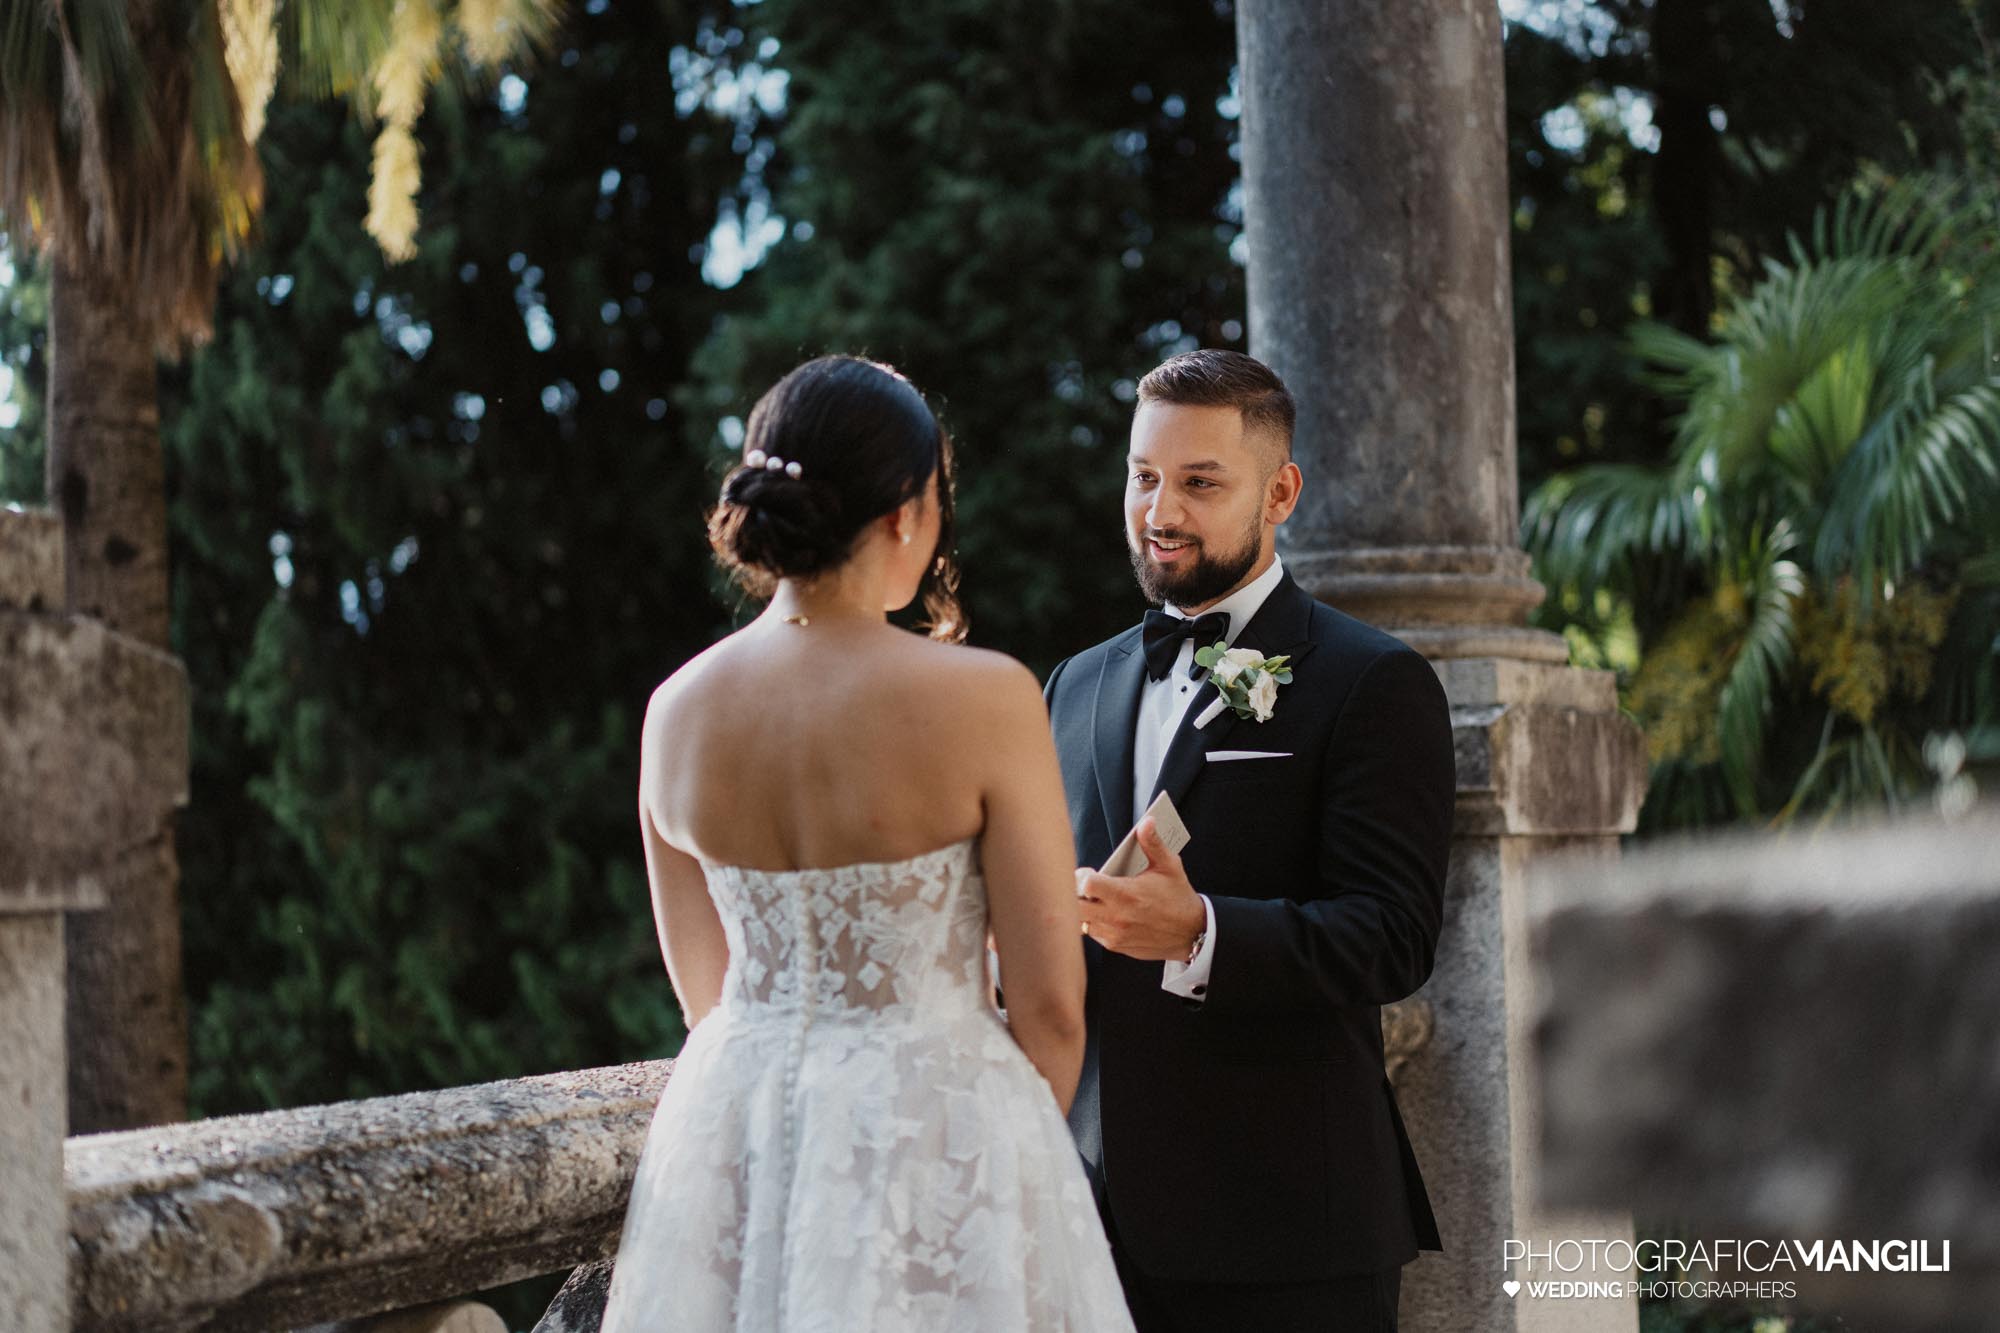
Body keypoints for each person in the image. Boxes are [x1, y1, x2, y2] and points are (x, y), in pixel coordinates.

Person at [600, 355, 1135, 1331]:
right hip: (938, 1131)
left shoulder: (673, 713)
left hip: (739, 1141)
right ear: (905, 515)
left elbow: (706, 997)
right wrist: (999, 1168)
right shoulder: (983, 699)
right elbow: (1053, 1008)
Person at [1042, 348, 1455, 1332]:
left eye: (1198, 482)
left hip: (1288, 1231)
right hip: (1086, 1225)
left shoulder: (1372, 681)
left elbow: (1393, 936)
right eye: (1144, 477)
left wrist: (1200, 934)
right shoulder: (1072, 684)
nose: (1160, 511)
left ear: (1279, 492)